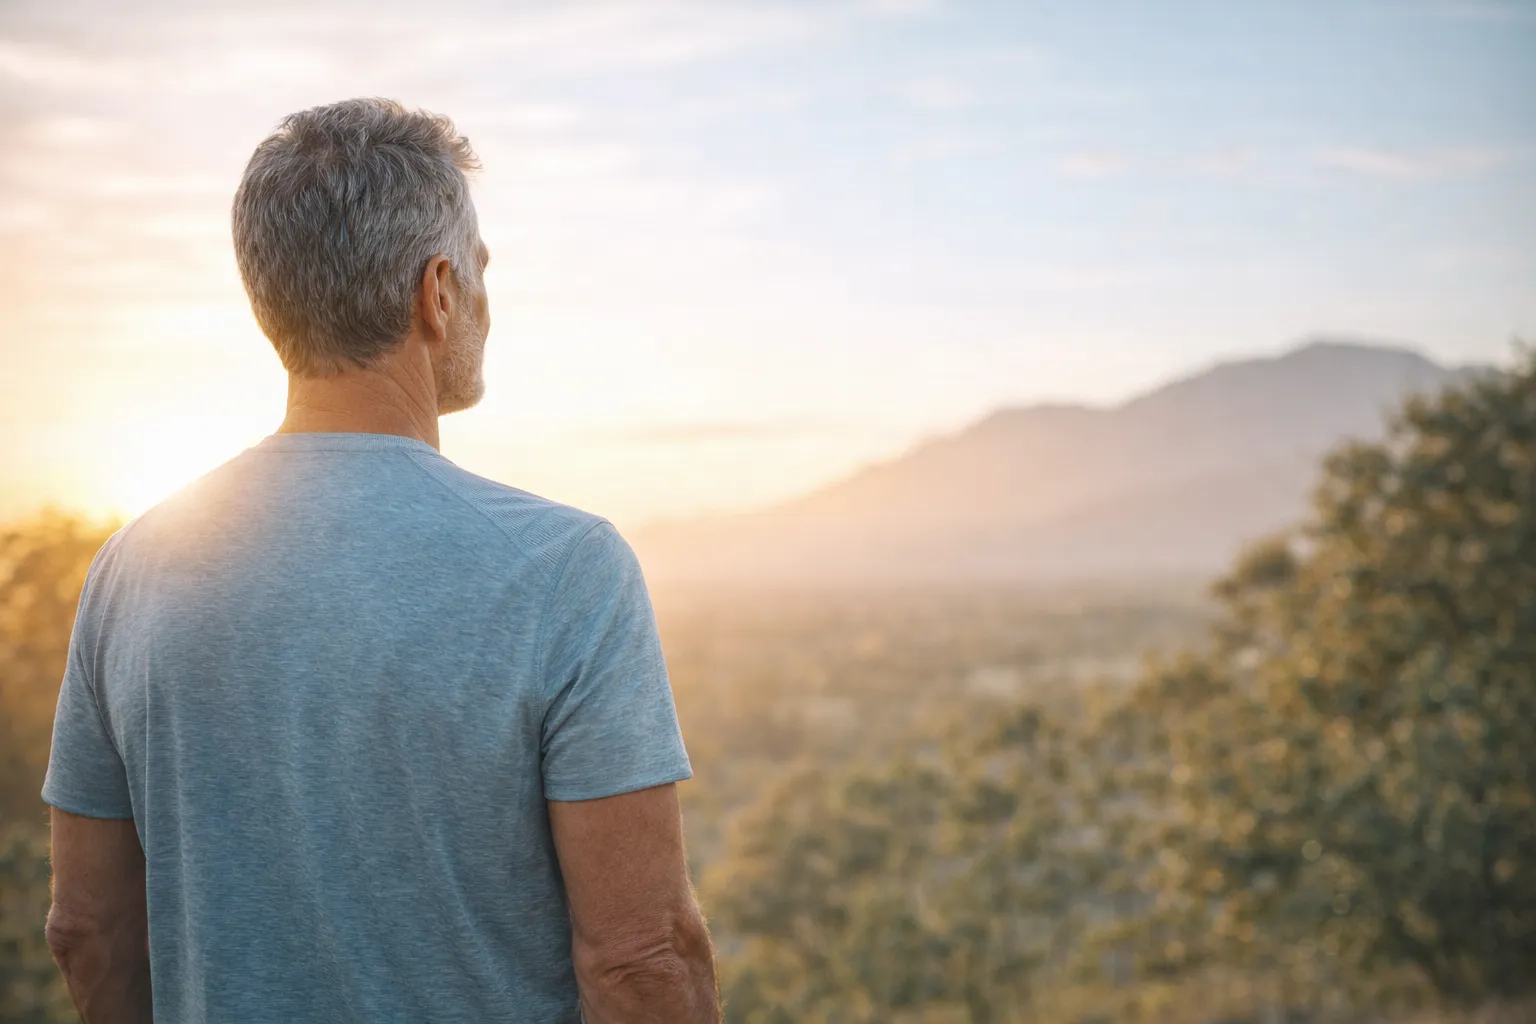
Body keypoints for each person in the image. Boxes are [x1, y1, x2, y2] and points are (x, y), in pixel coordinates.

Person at [40, 97, 718, 1024]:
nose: (486, 299)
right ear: (437, 293)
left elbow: (89, 931)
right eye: (479, 270)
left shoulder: (129, 571)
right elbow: (641, 960)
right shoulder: (565, 569)